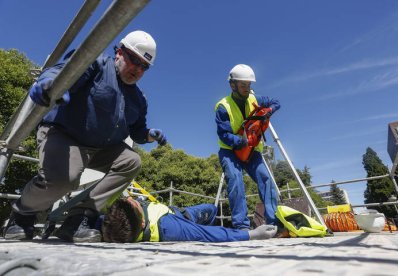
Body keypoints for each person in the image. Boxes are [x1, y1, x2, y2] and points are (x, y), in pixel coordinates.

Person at [4, 30, 167, 243]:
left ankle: (79, 219)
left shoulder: (138, 99)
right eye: (133, 60)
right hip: (65, 134)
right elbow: (61, 72)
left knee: (131, 161)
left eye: (143, 66)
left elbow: (137, 130)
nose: (137, 69)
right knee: (64, 180)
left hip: (101, 147)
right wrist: (49, 84)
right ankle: (22, 215)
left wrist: (148, 135)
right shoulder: (95, 64)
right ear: (119, 52)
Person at [215, 64, 280, 230]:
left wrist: (269, 110)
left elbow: (276, 102)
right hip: (230, 151)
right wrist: (241, 141)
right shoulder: (223, 106)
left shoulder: (254, 99)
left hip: (251, 151)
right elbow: (224, 134)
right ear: (233, 85)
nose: (246, 88)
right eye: (243, 85)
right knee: (236, 180)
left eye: (249, 85)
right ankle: (241, 226)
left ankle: (274, 222)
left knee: (265, 178)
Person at [102, 197, 277, 243]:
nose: (132, 199)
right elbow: (209, 234)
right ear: (142, 224)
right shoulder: (169, 228)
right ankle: (193, 226)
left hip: (175, 213)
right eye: (134, 205)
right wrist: (251, 234)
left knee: (210, 211)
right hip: (182, 217)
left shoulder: (113, 222)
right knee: (212, 209)